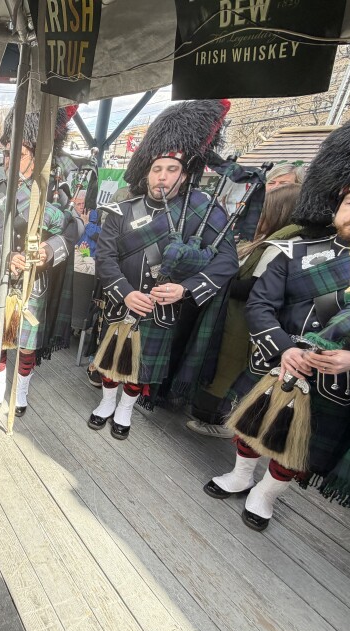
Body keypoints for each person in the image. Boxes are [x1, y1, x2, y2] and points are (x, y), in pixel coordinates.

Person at [205, 96, 350, 530]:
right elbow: (261, 303)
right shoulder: (295, 250)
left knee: (296, 449)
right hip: (277, 360)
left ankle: (265, 494)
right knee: (250, 426)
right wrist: (282, 349)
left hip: (339, 380)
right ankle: (241, 477)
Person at [88, 100, 239, 439]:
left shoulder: (204, 209)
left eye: (172, 169)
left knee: (139, 370)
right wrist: (126, 293)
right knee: (111, 361)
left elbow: (228, 260)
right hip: (121, 302)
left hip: (162, 309)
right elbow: (105, 258)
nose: (163, 176)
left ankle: (125, 410)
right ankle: (106, 403)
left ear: (185, 175)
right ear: (147, 171)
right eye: (157, 169)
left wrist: (185, 289)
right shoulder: (121, 209)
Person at [0, 107, 80, 416]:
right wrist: (4, 256)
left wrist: (51, 249)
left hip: (35, 283)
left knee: (28, 345)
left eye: (21, 153)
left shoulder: (54, 194)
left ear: (37, 155)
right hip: (0, 281)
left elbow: (74, 229)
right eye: (6, 153)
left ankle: (22, 392)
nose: (10, 160)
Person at [187, 184, 303, 437]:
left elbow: (255, 287)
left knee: (228, 365)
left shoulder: (283, 245)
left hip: (244, 320)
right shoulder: (267, 239)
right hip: (232, 313)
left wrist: (214, 281)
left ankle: (217, 419)